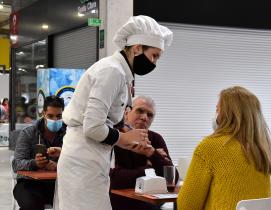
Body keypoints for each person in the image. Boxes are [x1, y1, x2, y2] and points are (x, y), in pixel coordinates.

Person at [55, 15, 173, 210]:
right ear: (137, 48)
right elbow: (92, 127)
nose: (154, 63)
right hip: (83, 160)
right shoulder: (112, 71)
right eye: (154, 55)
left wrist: (129, 142)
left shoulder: (119, 72)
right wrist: (125, 139)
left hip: (91, 159)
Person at [177, 86, 271, 210]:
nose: (215, 115)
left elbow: (186, 206)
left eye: (217, 110)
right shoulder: (262, 150)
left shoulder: (210, 147)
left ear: (228, 114)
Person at [110, 95, 178, 210]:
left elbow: (171, 178)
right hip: (118, 205)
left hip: (149, 205)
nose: (144, 117)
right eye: (140, 111)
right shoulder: (115, 138)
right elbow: (114, 180)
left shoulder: (155, 139)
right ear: (126, 112)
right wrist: (149, 167)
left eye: (150, 115)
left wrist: (151, 153)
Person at [12, 96, 66, 210]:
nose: (55, 120)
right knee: (31, 205)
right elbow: (16, 164)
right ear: (44, 113)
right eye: (51, 116)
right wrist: (35, 164)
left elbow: (77, 162)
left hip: (58, 184)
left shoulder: (69, 134)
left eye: (59, 116)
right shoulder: (29, 133)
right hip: (29, 184)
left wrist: (59, 165)